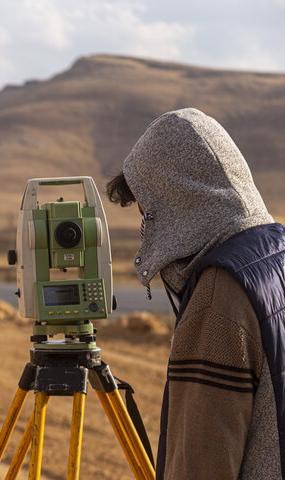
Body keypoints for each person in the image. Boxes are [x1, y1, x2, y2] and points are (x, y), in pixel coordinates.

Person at [106, 107, 285, 479]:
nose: (146, 226)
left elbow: (199, 465)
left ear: (177, 203)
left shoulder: (220, 298)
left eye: (148, 210)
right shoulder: (279, 255)